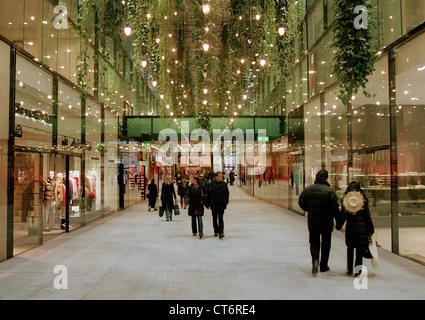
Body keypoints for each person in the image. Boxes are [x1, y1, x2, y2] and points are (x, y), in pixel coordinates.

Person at [298, 170, 341, 276]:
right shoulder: (330, 191)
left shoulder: (308, 190)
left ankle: (315, 261)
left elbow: (301, 202)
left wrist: (309, 210)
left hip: (313, 220)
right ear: (326, 178)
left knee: (314, 242)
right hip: (327, 221)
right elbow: (335, 209)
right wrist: (339, 222)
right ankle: (323, 265)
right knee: (326, 244)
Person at [339, 181, 375, 277]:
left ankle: (349, 268)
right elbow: (368, 217)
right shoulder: (363, 199)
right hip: (362, 228)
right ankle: (358, 271)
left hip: (350, 228)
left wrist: (338, 225)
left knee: (350, 249)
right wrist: (371, 229)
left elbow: (343, 215)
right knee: (359, 251)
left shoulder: (346, 199)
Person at [206, 172, 229, 239]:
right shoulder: (210, 184)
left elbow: (226, 194)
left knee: (221, 218)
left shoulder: (224, 184)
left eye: (222, 176)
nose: (222, 177)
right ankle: (216, 230)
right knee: (214, 218)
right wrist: (208, 204)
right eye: (220, 176)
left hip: (221, 204)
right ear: (216, 177)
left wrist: (225, 202)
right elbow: (207, 195)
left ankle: (221, 232)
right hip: (214, 204)